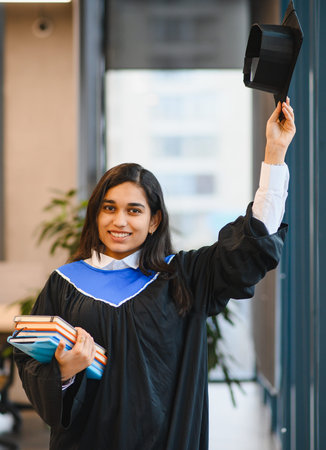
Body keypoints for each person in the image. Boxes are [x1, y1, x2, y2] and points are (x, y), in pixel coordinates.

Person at [15, 99, 295, 450]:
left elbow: (251, 246)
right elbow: (28, 360)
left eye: (134, 210)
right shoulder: (65, 282)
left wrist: (275, 153)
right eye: (109, 209)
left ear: (154, 221)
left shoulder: (185, 278)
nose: (119, 221)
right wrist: (65, 373)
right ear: (96, 216)